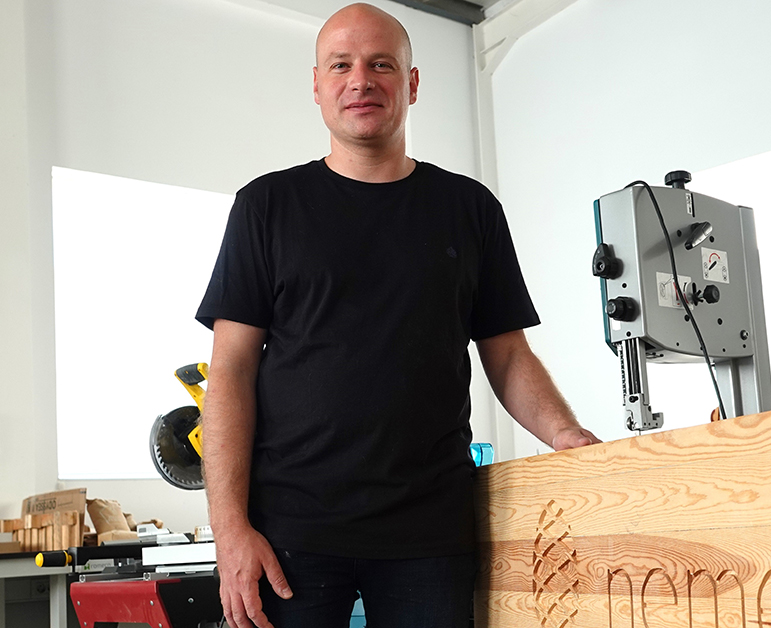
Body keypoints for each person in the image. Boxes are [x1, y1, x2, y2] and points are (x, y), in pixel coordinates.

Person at [195, 4, 600, 628]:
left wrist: (565, 434)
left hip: (429, 534)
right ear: (317, 86)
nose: (361, 80)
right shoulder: (266, 206)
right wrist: (229, 531)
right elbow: (229, 372)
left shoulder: (470, 208)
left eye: (381, 64)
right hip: (290, 533)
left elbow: (507, 353)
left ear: (411, 84)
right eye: (341, 66)